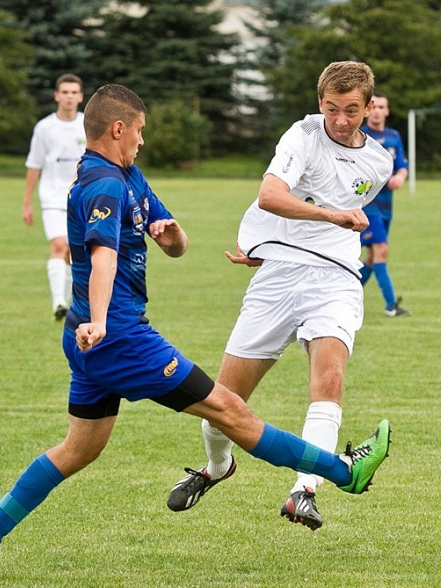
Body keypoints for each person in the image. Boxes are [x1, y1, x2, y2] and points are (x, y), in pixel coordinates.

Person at [0, 83, 392, 577]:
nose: (142, 140)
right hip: (117, 337)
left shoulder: (126, 176)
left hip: (91, 342)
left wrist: (173, 236)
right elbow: (102, 259)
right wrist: (101, 321)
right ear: (119, 129)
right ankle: (345, 473)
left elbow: (173, 241)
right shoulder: (102, 184)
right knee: (232, 411)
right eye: (139, 130)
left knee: (79, 449)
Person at [167, 61, 394, 532]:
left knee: (328, 381)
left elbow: (321, 208)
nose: (340, 120)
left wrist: (297, 234)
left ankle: (304, 491)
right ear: (319, 103)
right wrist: (287, 239)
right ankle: (216, 467)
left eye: (351, 110)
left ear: (369, 107)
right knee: (222, 405)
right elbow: (271, 196)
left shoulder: (379, 163)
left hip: (334, 278)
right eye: (331, 109)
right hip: (278, 279)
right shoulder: (302, 135)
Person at [22, 73, 87, 320]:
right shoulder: (44, 127)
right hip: (51, 198)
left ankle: (70, 302)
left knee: (74, 251)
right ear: (57, 96)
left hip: (80, 198)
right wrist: (27, 203)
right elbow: (34, 165)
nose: (69, 97)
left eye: (74, 92)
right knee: (59, 245)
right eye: (65, 92)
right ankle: (58, 301)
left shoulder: (87, 125)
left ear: (80, 97)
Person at [359, 93, 410, 317]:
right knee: (382, 250)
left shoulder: (393, 136)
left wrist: (400, 176)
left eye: (382, 107)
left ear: (387, 111)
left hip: (387, 206)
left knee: (371, 258)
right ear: (368, 109)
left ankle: (344, 296)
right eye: (375, 106)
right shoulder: (360, 135)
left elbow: (402, 166)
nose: (378, 110)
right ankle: (391, 305)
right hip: (367, 205)